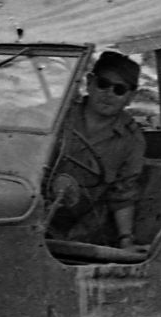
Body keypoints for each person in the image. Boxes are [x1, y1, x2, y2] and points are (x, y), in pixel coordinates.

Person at [46, 51, 147, 249]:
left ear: (130, 97)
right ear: (90, 82)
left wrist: (126, 240)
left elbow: (123, 193)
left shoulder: (131, 140)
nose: (108, 93)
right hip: (33, 212)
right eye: (103, 84)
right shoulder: (56, 117)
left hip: (84, 231)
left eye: (119, 89)